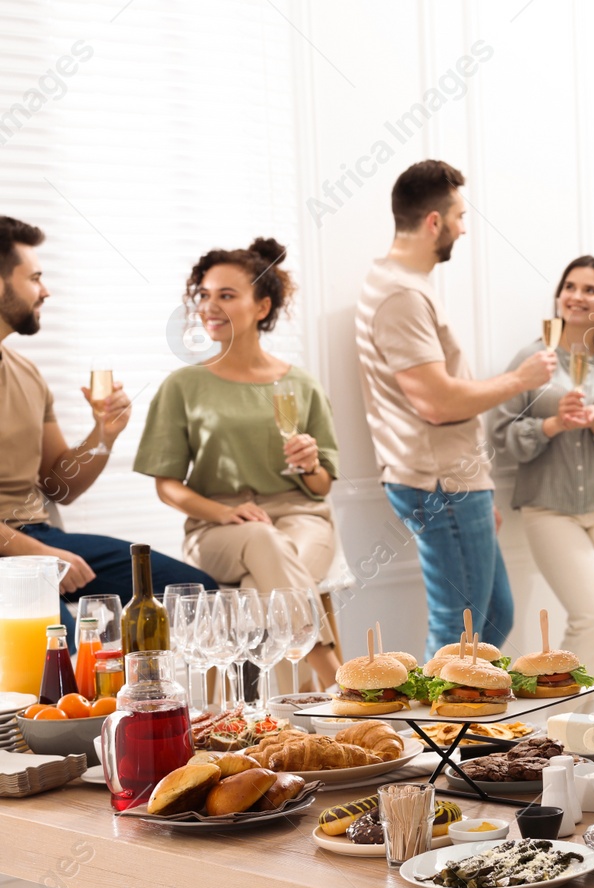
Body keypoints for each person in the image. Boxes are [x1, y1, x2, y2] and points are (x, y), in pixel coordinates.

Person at [354, 160, 555, 656]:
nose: (464, 228)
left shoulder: (399, 284)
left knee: (494, 617)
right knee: (459, 633)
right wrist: (521, 380)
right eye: (460, 216)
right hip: (438, 480)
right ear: (434, 222)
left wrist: (479, 486)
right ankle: (435, 735)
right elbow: (437, 403)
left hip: (453, 478)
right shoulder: (400, 295)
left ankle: (460, 730)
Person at [134, 238, 341, 690]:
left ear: (262, 306)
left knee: (261, 587)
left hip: (301, 517)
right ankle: (335, 681)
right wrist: (224, 513)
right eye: (204, 295)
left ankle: (260, 718)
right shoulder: (183, 385)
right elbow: (167, 485)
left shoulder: (300, 384)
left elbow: (323, 485)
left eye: (226, 295)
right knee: (264, 547)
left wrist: (309, 464)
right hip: (216, 528)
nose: (210, 306)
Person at [0, 216, 215, 631]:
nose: (46, 291)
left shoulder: (27, 373)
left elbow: (60, 485)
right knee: (60, 657)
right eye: (35, 278)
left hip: (39, 539)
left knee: (196, 594)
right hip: (18, 552)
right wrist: (33, 554)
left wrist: (104, 435)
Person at [490, 256, 594, 683]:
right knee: (593, 617)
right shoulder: (532, 359)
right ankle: (564, 731)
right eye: (570, 287)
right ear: (559, 296)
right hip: (550, 511)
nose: (577, 296)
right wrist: (553, 424)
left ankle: (590, 738)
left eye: (590, 290)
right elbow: (502, 436)